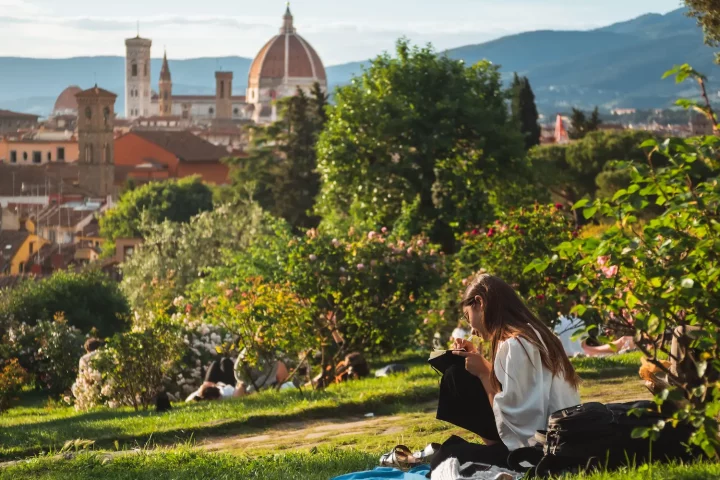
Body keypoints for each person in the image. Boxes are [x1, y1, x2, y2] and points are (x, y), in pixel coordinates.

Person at [432, 274, 581, 470]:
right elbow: (520, 399)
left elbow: (520, 421)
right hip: (555, 441)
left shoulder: (517, 344)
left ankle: (498, 451)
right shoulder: (534, 335)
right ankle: (496, 449)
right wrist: (482, 365)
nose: (472, 330)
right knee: (458, 374)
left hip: (540, 452)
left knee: (446, 456)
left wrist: (485, 374)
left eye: (468, 317)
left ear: (479, 303)